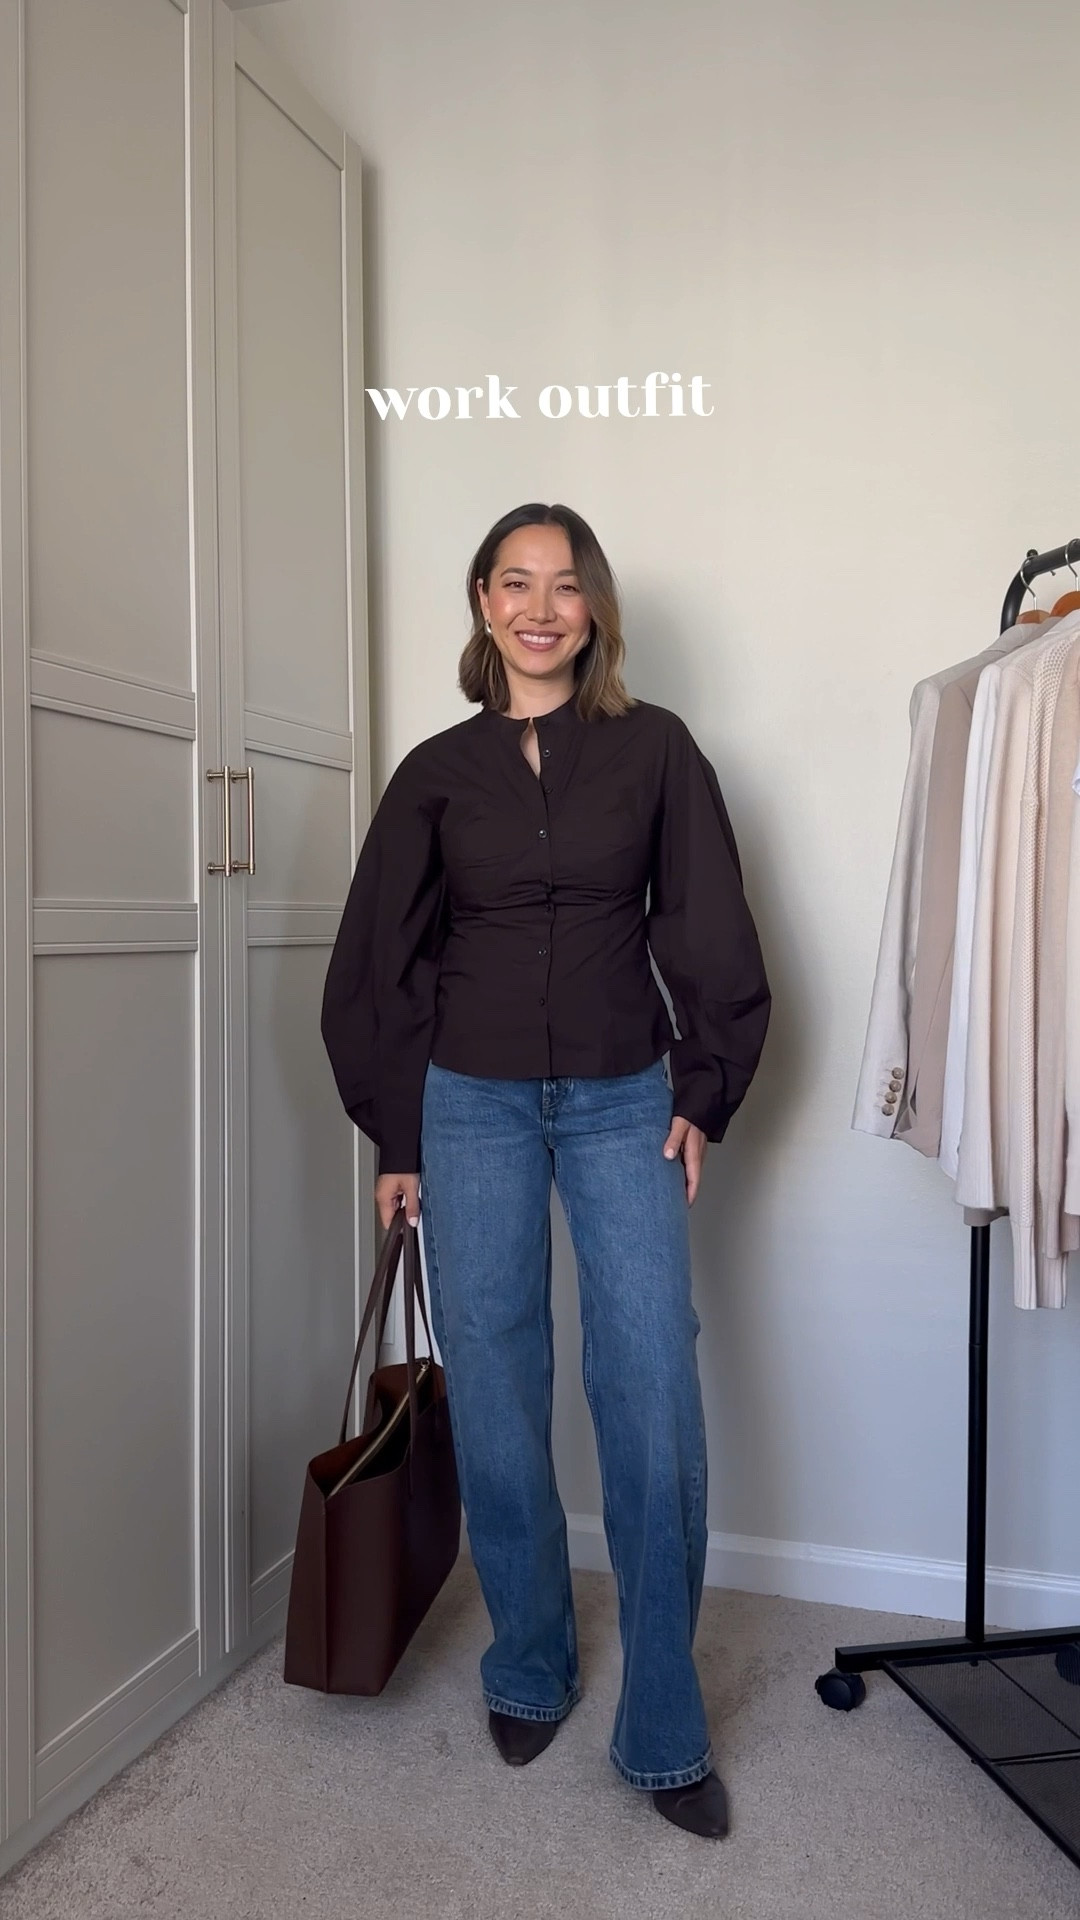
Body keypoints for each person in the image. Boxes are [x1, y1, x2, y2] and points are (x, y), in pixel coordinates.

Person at [321, 502, 770, 1839]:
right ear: (482, 602)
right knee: (497, 1380)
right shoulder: (435, 774)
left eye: (564, 585)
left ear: (594, 608)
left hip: (626, 1096)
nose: (539, 607)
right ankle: (528, 1659)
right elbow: (383, 962)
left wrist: (704, 1089)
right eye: (514, 583)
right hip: (469, 1105)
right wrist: (398, 1138)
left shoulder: (657, 750)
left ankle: (664, 1725)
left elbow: (708, 920)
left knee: (651, 1383)